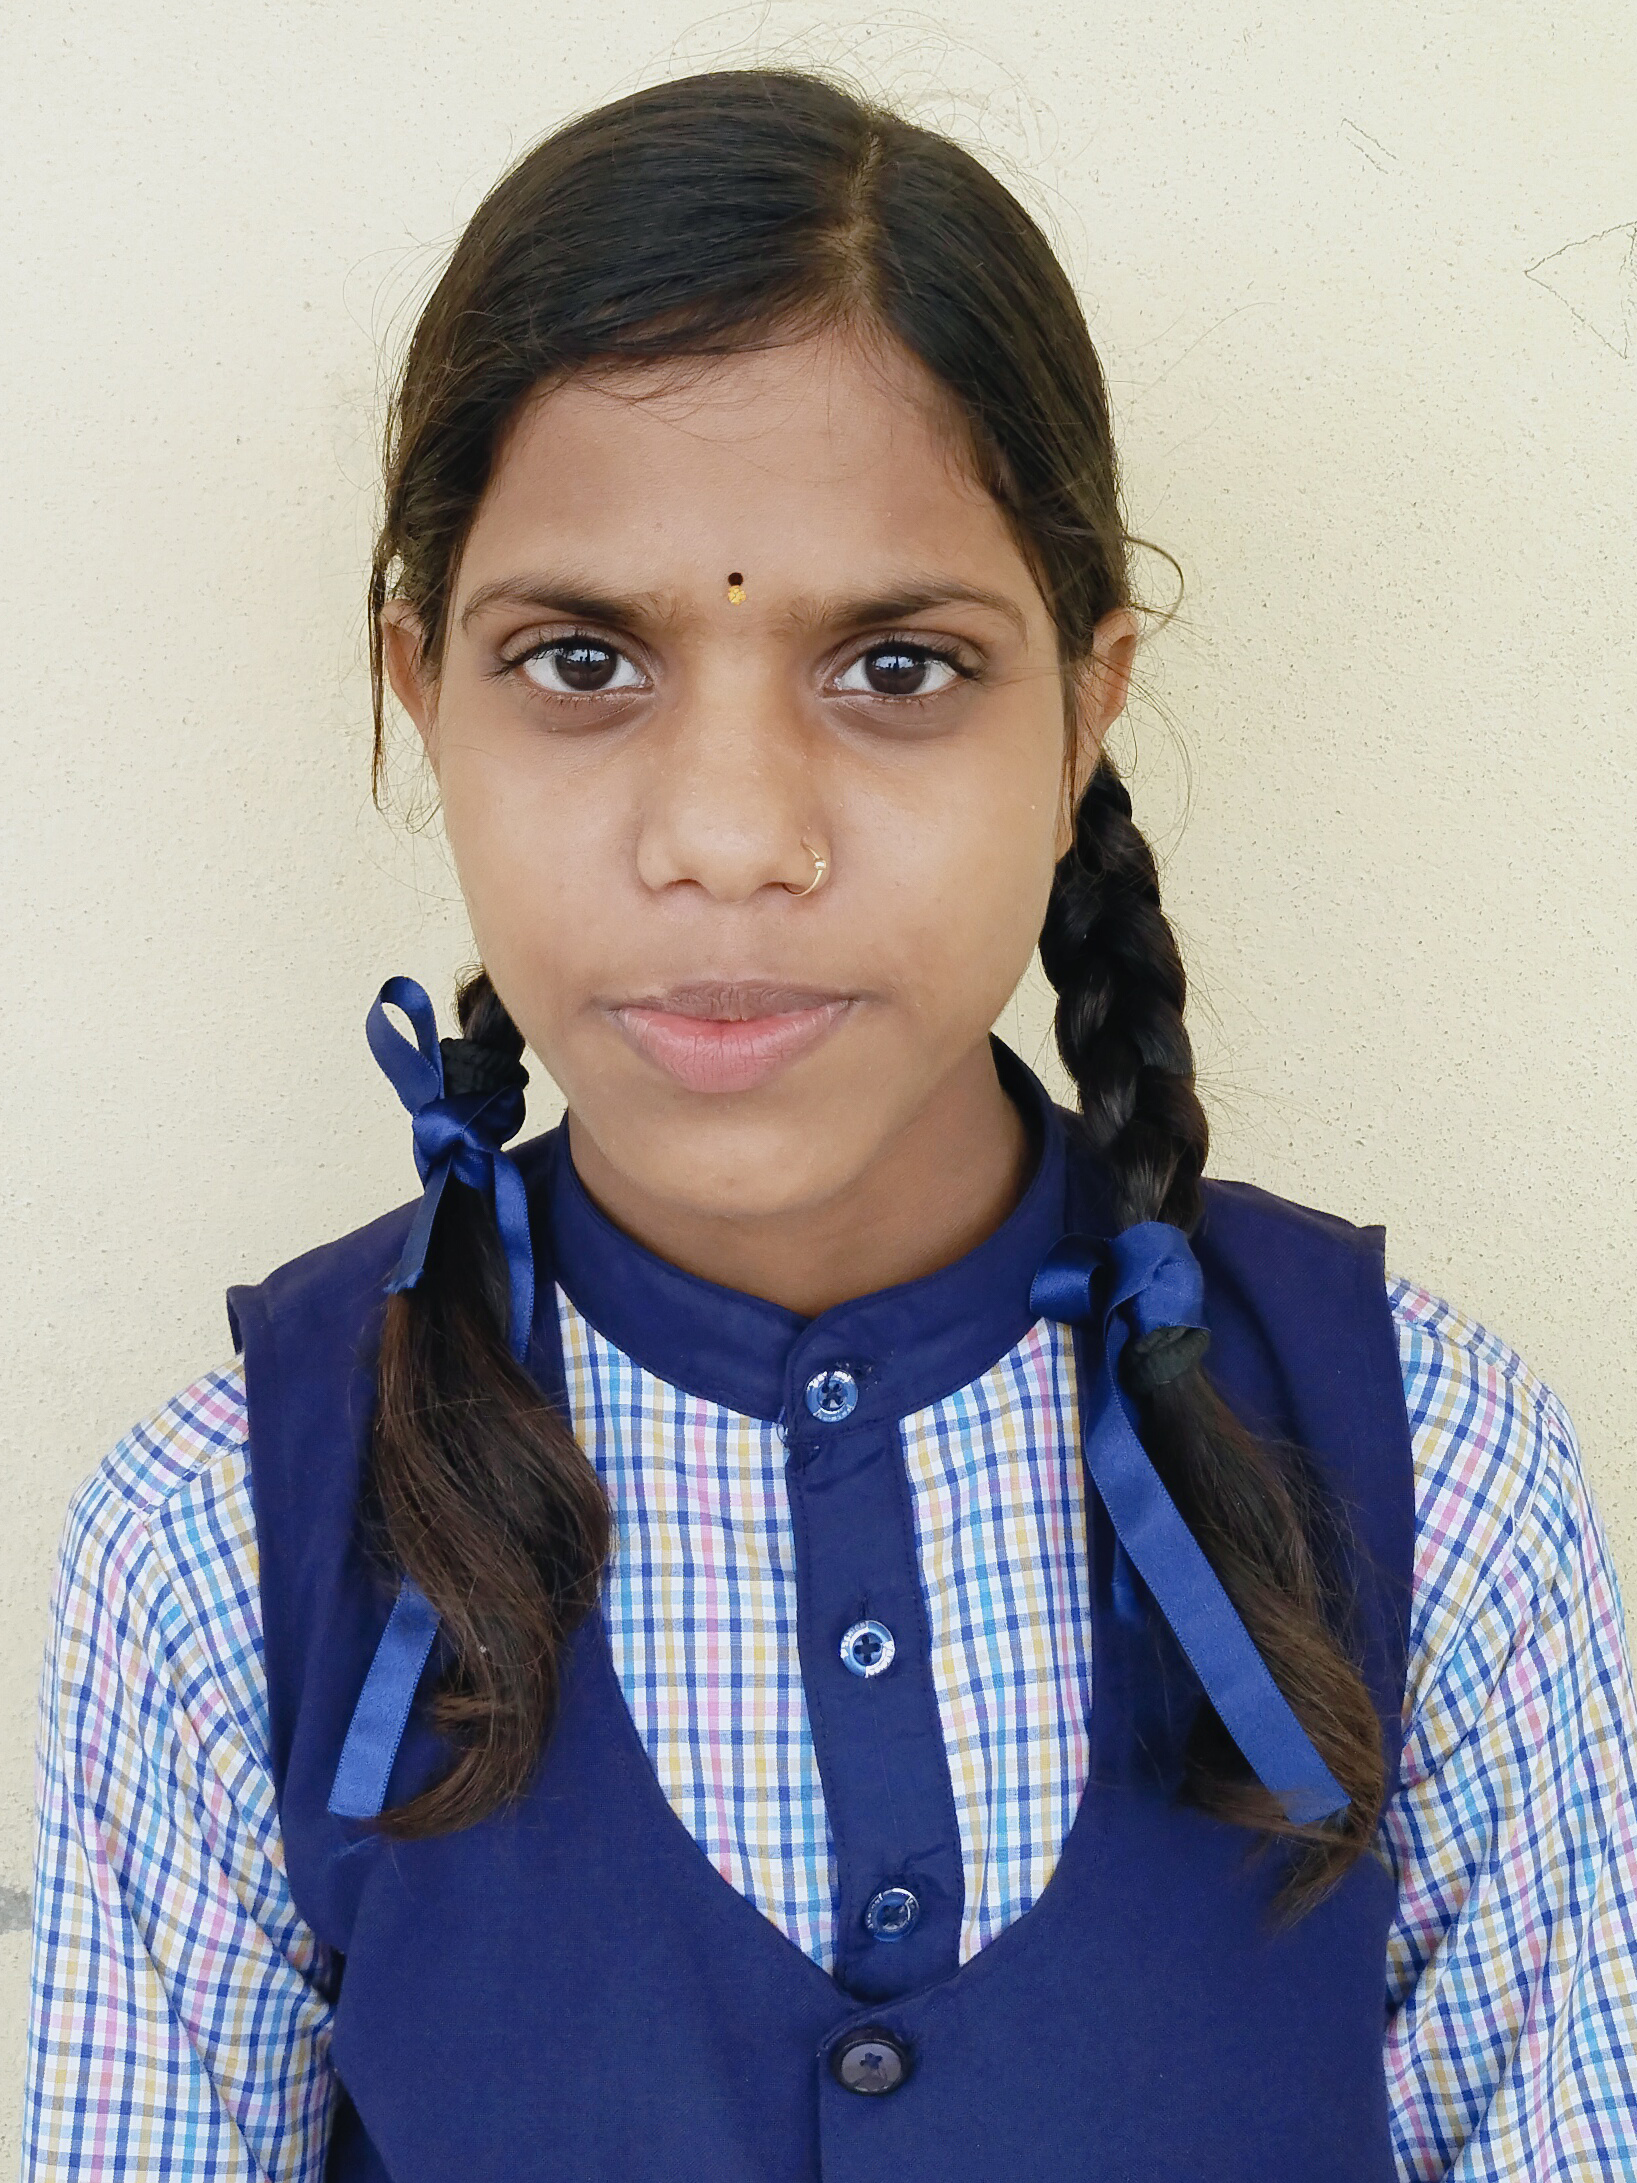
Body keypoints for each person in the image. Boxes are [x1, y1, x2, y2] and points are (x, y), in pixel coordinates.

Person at [21, 67, 1637, 2182]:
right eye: (579, 660)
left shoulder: (1434, 1476)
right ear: (425, 693)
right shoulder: (212, 1549)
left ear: (1086, 706)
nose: (728, 834)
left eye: (895, 667)